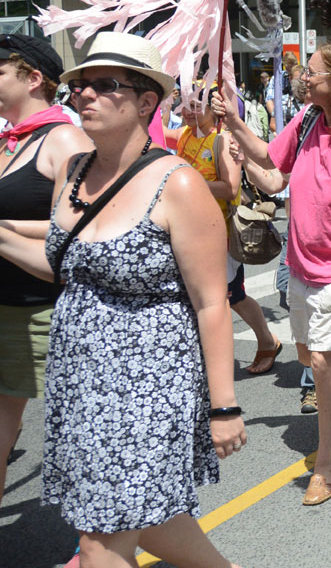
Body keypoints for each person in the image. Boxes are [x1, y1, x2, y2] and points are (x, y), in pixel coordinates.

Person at [0, 32, 246, 565]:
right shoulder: (73, 171)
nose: (84, 95)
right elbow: (68, 267)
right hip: (80, 379)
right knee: (148, 520)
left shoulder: (178, 184)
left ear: (146, 102)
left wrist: (223, 406)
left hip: (146, 383)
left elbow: (212, 302)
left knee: (101, 539)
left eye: (104, 85)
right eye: (79, 86)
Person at [214, 42, 331, 506]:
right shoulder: (309, 117)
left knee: (321, 360)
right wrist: (235, 123)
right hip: (301, 263)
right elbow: (273, 167)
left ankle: (326, 464)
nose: (303, 78)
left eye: (311, 73)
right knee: (306, 350)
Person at [0, 35, 93, 506]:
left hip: (49, 311)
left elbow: (78, 230)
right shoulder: (8, 140)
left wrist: (4, 229)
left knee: (78, 434)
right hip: (6, 307)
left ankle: (97, 543)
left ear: (34, 79)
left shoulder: (66, 140)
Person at [171, 88, 282, 375]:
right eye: (184, 104)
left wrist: (186, 181)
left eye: (194, 105)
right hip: (188, 229)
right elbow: (155, 134)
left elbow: (231, 188)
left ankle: (267, 342)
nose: (186, 111)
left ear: (212, 109)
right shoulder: (184, 135)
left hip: (218, 231)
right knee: (200, 296)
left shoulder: (222, 140)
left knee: (232, 296)